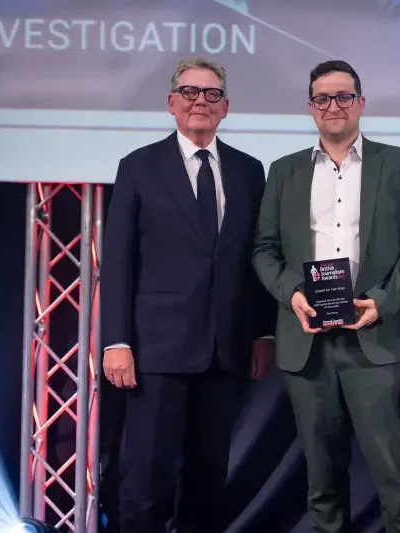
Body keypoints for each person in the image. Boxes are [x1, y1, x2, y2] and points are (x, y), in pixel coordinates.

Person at [252, 60, 400, 533]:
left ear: (361, 103)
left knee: (395, 483)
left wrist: (382, 300)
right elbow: (264, 250)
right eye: (322, 98)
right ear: (310, 106)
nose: (333, 106)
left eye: (343, 97)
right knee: (322, 487)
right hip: (308, 344)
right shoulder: (284, 170)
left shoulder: (398, 163)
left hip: (375, 343)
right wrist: (292, 292)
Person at [100, 57, 275, 533]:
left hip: (225, 352)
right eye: (191, 92)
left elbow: (254, 258)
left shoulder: (247, 170)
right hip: (155, 352)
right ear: (172, 103)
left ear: (225, 108)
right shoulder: (138, 166)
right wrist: (116, 341)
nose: (201, 101)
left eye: (212, 94)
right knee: (145, 485)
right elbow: (116, 262)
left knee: (206, 485)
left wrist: (262, 332)